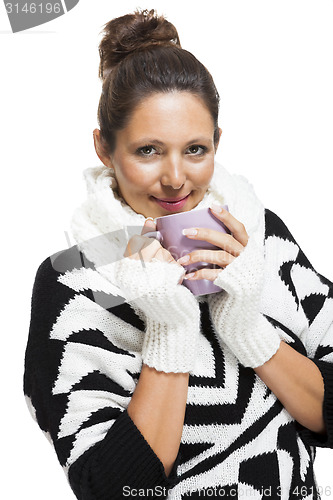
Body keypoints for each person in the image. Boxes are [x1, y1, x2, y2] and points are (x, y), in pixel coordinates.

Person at [23, 8, 333, 500]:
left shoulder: (260, 235)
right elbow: (112, 490)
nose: (174, 178)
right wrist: (170, 330)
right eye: (148, 150)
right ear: (104, 148)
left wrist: (248, 327)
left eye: (194, 149)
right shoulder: (73, 281)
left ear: (217, 143)